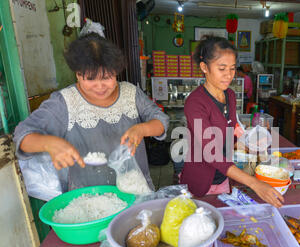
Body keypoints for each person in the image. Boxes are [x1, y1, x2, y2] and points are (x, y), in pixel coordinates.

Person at [13, 33, 169, 192]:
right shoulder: (64, 102)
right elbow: (22, 135)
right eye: (90, 79)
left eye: (107, 77)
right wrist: (49, 143)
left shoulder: (131, 93)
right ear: (78, 74)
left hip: (136, 191)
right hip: (90, 201)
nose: (100, 86)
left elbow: (161, 122)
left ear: (116, 72)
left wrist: (142, 129)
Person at [180, 35, 283, 208]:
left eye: (233, 68)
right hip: (201, 182)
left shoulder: (230, 95)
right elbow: (210, 152)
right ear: (204, 67)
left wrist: (249, 145)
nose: (229, 75)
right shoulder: (195, 103)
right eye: (222, 68)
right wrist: (254, 183)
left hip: (224, 177)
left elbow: (231, 132)